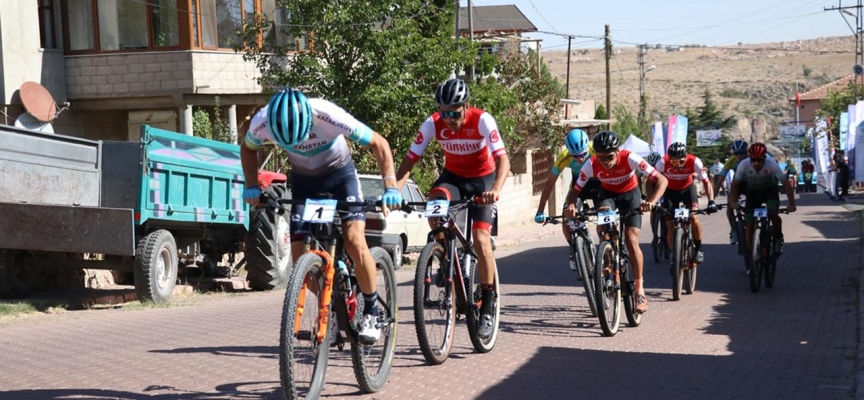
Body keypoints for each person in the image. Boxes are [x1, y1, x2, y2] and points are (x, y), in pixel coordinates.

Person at [240, 87, 401, 344]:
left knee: (354, 240)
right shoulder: (263, 121)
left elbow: (379, 143)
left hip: (340, 177)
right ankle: (333, 305)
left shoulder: (327, 114)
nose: (298, 145)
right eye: (289, 143)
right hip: (304, 183)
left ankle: (371, 309)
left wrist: (390, 186)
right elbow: (247, 148)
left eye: (300, 138)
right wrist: (251, 184)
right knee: (299, 262)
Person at [395, 78, 510, 339]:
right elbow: (410, 160)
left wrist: (497, 190)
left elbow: (503, 160)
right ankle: (445, 252)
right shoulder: (432, 123)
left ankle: (489, 305)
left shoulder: (482, 120)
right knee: (434, 204)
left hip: (483, 179)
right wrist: (393, 190)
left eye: (455, 113)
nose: (449, 119)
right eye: (444, 112)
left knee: (481, 240)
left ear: (466, 107)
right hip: (454, 177)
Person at [565, 131, 668, 313]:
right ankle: (606, 256)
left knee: (631, 239)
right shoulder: (591, 164)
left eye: (610, 157)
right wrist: (572, 204)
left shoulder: (630, 158)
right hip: (608, 195)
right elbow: (575, 191)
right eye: (601, 157)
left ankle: (639, 290)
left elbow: (661, 179)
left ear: (618, 151)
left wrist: (651, 202)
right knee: (603, 222)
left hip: (631, 195)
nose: (606, 162)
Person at [534, 128, 599, 272]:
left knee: (604, 220)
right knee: (566, 221)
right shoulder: (564, 157)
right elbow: (549, 184)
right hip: (578, 189)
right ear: (569, 151)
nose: (580, 159)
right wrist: (540, 210)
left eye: (583, 154)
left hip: (598, 185)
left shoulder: (595, 149)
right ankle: (573, 247)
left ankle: (605, 252)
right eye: (575, 156)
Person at [647, 142, 717, 265]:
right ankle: (675, 253)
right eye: (673, 162)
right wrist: (652, 201)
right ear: (669, 158)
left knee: (693, 218)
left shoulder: (695, 161)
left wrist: (711, 201)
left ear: (686, 157)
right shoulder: (662, 163)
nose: (677, 165)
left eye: (681, 161)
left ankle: (699, 249)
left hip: (687, 190)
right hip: (670, 191)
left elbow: (706, 182)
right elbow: (650, 181)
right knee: (669, 225)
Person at [729, 142, 796, 256]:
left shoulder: (772, 165)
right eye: (753, 160)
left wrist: (792, 204)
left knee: (773, 214)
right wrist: (734, 202)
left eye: (759, 160)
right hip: (753, 193)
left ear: (764, 158)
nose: (756, 163)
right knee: (749, 222)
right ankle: (751, 255)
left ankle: (779, 237)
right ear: (750, 158)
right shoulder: (744, 164)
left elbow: (786, 184)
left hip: (769, 191)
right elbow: (735, 185)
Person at [722, 139, 749, 245]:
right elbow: (720, 180)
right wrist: (711, 200)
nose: (739, 156)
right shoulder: (731, 161)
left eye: (742, 153)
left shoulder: (753, 159)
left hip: (751, 184)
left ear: (746, 152)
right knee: (729, 206)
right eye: (736, 153)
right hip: (737, 185)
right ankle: (733, 229)